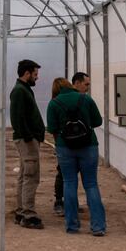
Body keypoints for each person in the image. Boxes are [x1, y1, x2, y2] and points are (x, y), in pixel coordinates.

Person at [46, 76, 107, 236]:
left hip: (65, 147)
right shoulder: (85, 99)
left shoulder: (53, 103)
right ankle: (98, 227)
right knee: (91, 184)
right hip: (88, 146)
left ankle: (72, 226)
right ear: (70, 85)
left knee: (69, 183)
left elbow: (51, 127)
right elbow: (97, 122)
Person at [9, 59, 46, 228]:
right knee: (31, 176)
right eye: (35, 74)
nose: (37, 78)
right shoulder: (19, 91)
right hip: (27, 141)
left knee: (25, 175)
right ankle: (28, 214)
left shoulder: (24, 90)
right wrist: (29, 137)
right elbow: (17, 118)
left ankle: (21, 210)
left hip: (28, 139)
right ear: (27, 73)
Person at [48, 78, 74, 215]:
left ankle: (60, 201)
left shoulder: (54, 103)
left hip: (63, 144)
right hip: (80, 144)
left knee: (63, 173)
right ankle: (67, 202)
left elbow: (52, 128)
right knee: (72, 176)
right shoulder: (82, 99)